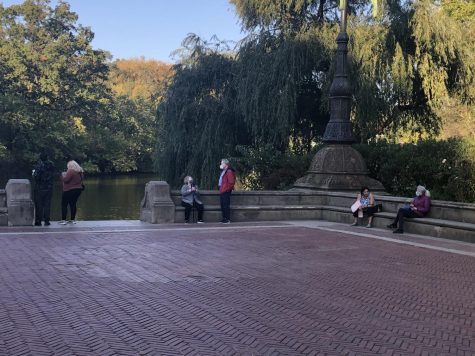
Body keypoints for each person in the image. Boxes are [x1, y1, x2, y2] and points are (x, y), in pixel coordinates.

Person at [32, 153, 56, 226]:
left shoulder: (39, 166)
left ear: (40, 158)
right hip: (49, 187)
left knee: (39, 205)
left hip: (39, 188)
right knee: (47, 205)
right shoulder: (51, 165)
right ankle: (46, 221)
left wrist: (33, 173)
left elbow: (37, 177)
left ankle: (38, 221)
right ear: (47, 157)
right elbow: (53, 175)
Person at [59, 160, 84, 225]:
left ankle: (63, 220)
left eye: (68, 166)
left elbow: (66, 180)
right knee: (73, 204)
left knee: (64, 204)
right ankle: (72, 220)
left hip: (69, 190)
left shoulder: (71, 171)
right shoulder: (80, 172)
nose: (67, 167)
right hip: (78, 190)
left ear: (70, 166)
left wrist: (62, 176)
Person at [218, 158, 235, 224]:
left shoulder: (229, 171)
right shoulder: (224, 171)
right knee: (223, 205)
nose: (221, 164)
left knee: (226, 205)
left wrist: (226, 189)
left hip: (225, 191)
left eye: (222, 163)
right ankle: (224, 218)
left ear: (226, 164)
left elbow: (231, 182)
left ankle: (227, 219)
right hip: (222, 190)